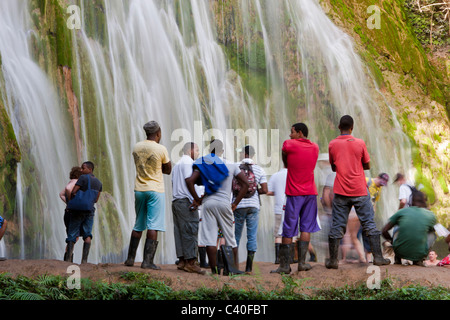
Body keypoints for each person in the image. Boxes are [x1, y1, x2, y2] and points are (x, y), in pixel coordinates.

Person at [326, 115, 390, 269]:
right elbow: (367, 165)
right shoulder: (360, 143)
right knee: (369, 223)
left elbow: (333, 167)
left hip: (341, 190)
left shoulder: (332, 144)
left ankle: (333, 261)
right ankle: (378, 258)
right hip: (360, 190)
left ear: (339, 127)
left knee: (337, 225)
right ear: (352, 128)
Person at [186, 139, 249, 275]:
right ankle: (233, 269)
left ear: (210, 151)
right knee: (230, 238)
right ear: (222, 151)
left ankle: (214, 271)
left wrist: (197, 200)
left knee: (210, 238)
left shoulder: (204, 164)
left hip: (208, 204)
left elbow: (190, 181)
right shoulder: (231, 165)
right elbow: (246, 185)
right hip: (224, 203)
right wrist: (236, 203)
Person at [272, 123, 320, 274]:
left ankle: (285, 266)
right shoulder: (315, 147)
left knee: (288, 228)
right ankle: (302, 263)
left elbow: (285, 157)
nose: (289, 135)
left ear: (300, 133)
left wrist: (288, 163)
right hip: (310, 193)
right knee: (306, 227)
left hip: (294, 193)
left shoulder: (289, 144)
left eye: (291, 132)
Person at [124, 121, 172, 270]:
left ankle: (130, 259)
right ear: (158, 133)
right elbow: (168, 170)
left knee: (138, 223)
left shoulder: (136, 147)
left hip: (139, 189)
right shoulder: (161, 149)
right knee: (153, 225)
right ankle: (147, 261)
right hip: (155, 190)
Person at [233, 145, 268, 273]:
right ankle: (249, 268)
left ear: (244, 154)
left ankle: (234, 266)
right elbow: (265, 189)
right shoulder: (259, 169)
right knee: (251, 236)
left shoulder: (236, 167)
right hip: (254, 206)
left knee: (235, 236)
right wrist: (255, 192)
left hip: (238, 205)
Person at [171, 142, 205, 274]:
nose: (198, 153)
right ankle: (191, 262)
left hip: (176, 201)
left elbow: (174, 183)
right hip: (186, 202)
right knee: (191, 230)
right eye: (196, 150)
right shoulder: (188, 163)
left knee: (179, 231)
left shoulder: (177, 165)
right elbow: (188, 180)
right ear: (189, 150)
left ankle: (182, 261)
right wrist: (196, 199)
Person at [381, 190, 437, 266]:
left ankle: (398, 258)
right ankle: (419, 259)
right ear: (425, 201)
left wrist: (391, 242)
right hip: (420, 253)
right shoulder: (430, 215)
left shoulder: (402, 212)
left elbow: (384, 230)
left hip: (399, 251)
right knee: (432, 233)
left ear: (411, 200)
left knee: (398, 226)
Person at [66, 161, 102, 264]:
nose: (81, 170)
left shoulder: (83, 178)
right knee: (87, 234)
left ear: (90, 169)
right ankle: (84, 261)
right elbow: (96, 200)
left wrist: (72, 201)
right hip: (90, 210)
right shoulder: (99, 183)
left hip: (78, 210)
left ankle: (68, 260)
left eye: (83, 168)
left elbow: (73, 191)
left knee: (72, 234)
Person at [360, 173, 390, 263]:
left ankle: (368, 259)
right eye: (380, 182)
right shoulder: (366, 180)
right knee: (355, 234)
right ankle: (359, 257)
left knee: (367, 234)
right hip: (359, 211)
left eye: (383, 184)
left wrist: (373, 214)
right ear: (377, 177)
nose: (381, 185)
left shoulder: (378, 189)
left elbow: (374, 202)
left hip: (368, 215)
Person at [59, 166, 82, 261]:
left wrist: (68, 203)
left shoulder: (70, 181)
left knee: (71, 235)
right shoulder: (76, 183)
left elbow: (61, 194)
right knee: (74, 236)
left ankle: (68, 256)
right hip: (73, 213)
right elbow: (68, 189)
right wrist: (72, 203)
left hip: (67, 212)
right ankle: (68, 258)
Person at [267, 165, 287, 264]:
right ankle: (289, 259)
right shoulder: (293, 175)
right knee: (292, 233)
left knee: (278, 234)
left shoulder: (275, 175)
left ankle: (277, 259)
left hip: (279, 208)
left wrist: (278, 192)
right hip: (292, 208)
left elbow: (268, 191)